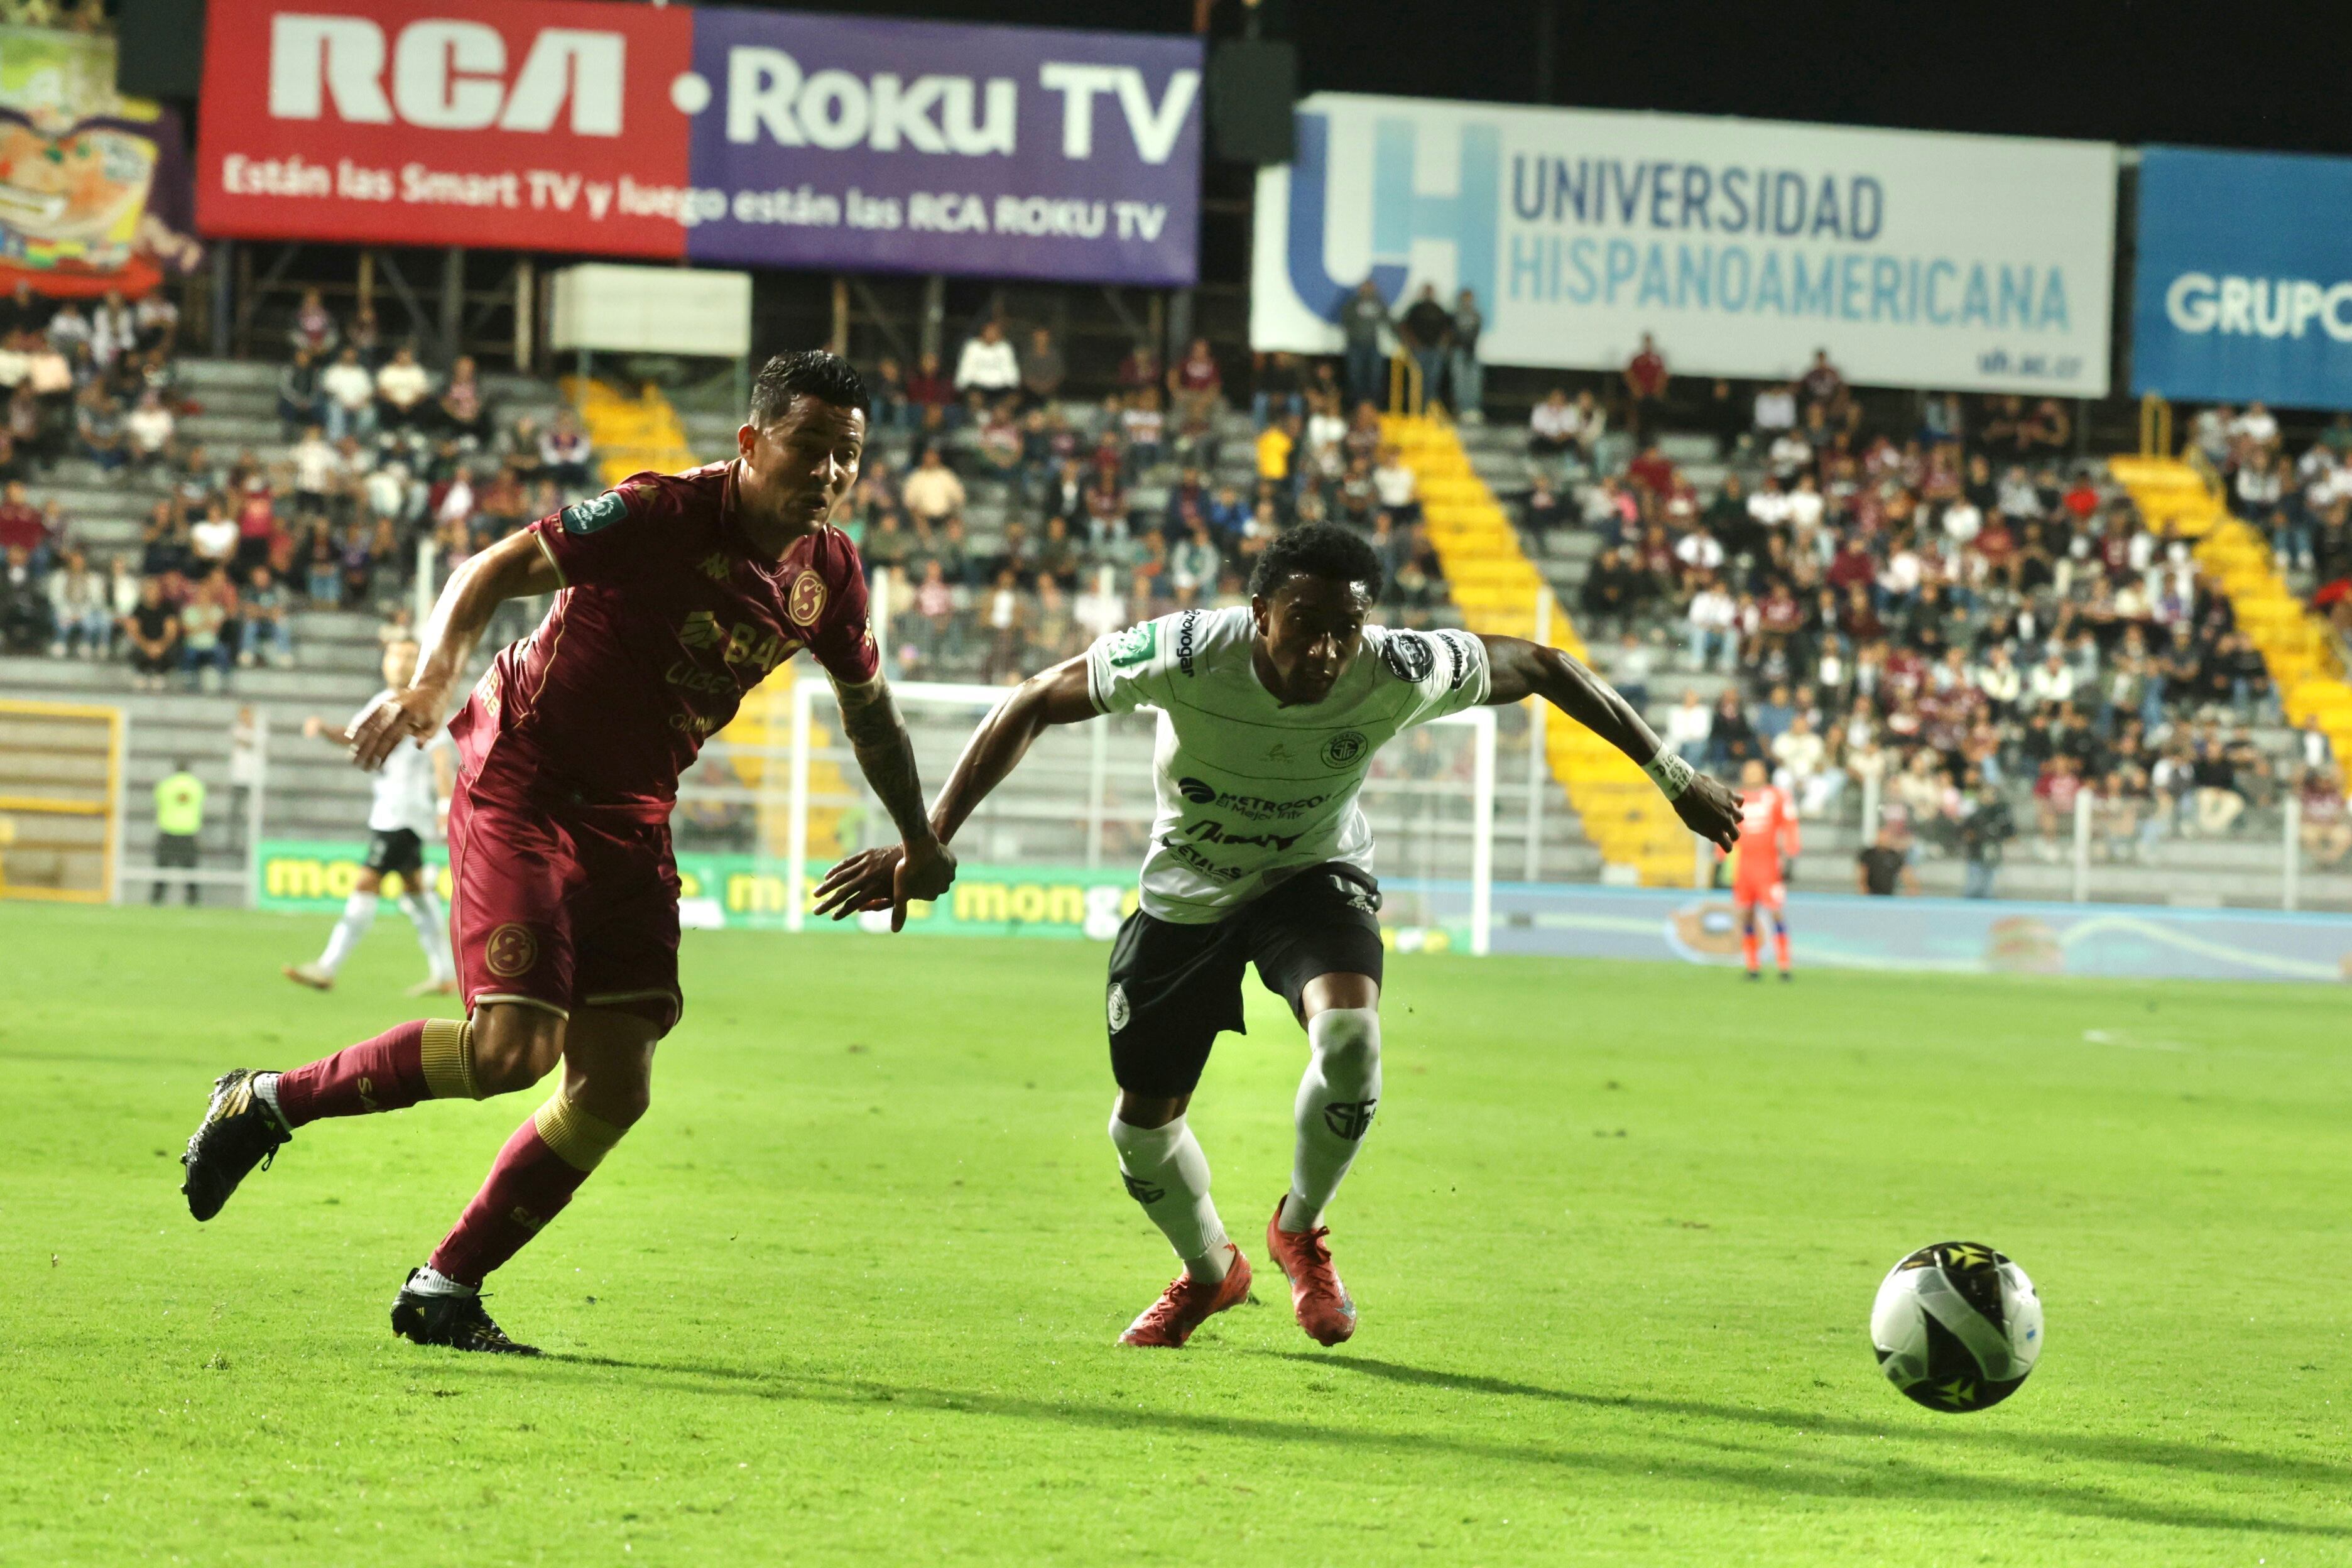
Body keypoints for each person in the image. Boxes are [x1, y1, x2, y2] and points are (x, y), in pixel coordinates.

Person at [178, 351, 957, 1355]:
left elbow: (873, 715)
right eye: (811, 448)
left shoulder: (829, 576)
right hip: (527, 778)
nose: (830, 474)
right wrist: (428, 683)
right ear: (753, 442)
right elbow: (490, 569)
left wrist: (919, 839)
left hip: (634, 812)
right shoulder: (659, 512)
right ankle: (268, 1100)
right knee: (513, 1051)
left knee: (616, 1085)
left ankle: (445, 1288)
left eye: (847, 457)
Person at [811, 524, 1740, 1349]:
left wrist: (1673, 775)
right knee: (1140, 1132)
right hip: (1190, 887)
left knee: (1351, 1036)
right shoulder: (1186, 650)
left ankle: (1300, 1229)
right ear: (1260, 613)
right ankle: (1213, 1274)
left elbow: (1542, 665)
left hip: (1312, 875)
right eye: (1308, 624)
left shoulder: (1397, 667)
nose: (1330, 650)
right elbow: (1034, 699)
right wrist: (928, 841)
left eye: (1348, 629)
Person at [282, 640, 460, 997]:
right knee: (417, 894)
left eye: (410, 656)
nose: (401, 663)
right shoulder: (381, 701)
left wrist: (445, 808)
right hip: (389, 812)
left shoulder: (423, 704)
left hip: (404, 814)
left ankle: (328, 967)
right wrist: (323, 730)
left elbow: (442, 760)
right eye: (396, 655)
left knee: (366, 883)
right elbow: (353, 737)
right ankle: (444, 973)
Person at [1728, 760, 1798, 981]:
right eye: (1748, 771)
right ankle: (1752, 966)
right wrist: (1722, 854)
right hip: (1744, 865)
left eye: (1755, 771)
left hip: (1768, 865)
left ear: (1764, 774)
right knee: (1746, 915)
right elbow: (1728, 826)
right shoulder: (1736, 799)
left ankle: (1784, 965)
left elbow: (1789, 823)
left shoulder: (1777, 796)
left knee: (1776, 912)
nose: (1751, 775)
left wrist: (1791, 848)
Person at [153, 760, 205, 906]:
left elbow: (158, 801)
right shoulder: (196, 786)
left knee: (161, 871)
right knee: (191, 872)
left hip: (168, 831)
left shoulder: (166, 784)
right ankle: (193, 902)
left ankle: (156, 901)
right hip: (189, 832)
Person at [1957, 779, 2015, 898]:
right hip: (1976, 853)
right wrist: (1971, 837)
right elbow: (1964, 830)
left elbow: (2010, 832)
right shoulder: (1975, 813)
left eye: (1992, 794)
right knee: (1973, 887)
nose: (1989, 797)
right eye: (1986, 793)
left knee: (1989, 890)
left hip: (1993, 854)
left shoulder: (2001, 813)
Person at [1340, 279, 1390, 409]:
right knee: (1355, 377)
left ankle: (1373, 408)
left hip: (1372, 344)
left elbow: (1388, 319)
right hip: (1355, 345)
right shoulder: (1353, 303)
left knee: (1375, 378)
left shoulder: (1378, 303)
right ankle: (1356, 408)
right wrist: (1353, 333)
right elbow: (1345, 318)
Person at [1856, 824, 1918, 896]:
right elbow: (1862, 875)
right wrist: (1864, 892)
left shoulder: (1895, 856)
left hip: (1888, 897)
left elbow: (1906, 874)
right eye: (1882, 836)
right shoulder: (1868, 854)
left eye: (1887, 836)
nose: (1884, 839)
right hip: (1871, 895)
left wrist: (1912, 887)